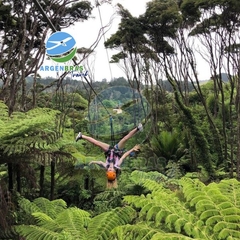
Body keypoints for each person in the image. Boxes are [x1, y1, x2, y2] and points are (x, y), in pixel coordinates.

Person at [75, 123, 143, 188]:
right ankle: (138, 128)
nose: (110, 169)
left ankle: (81, 136)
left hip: (109, 151)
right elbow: (124, 156)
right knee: (125, 139)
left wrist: (93, 162)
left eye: (109, 170)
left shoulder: (106, 166)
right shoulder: (117, 165)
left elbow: (100, 163)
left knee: (97, 143)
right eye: (111, 170)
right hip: (117, 149)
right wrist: (132, 149)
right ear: (114, 171)